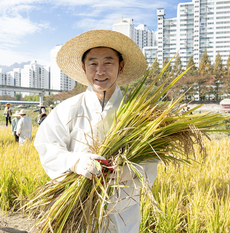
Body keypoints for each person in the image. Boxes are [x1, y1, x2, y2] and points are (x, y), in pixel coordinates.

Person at [34, 30, 158, 233]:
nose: (100, 71)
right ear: (84, 68)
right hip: (77, 210)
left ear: (121, 66)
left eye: (108, 62)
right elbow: (48, 147)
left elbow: (149, 163)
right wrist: (75, 162)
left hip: (122, 212)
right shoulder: (67, 109)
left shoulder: (138, 114)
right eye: (93, 63)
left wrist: (122, 173)